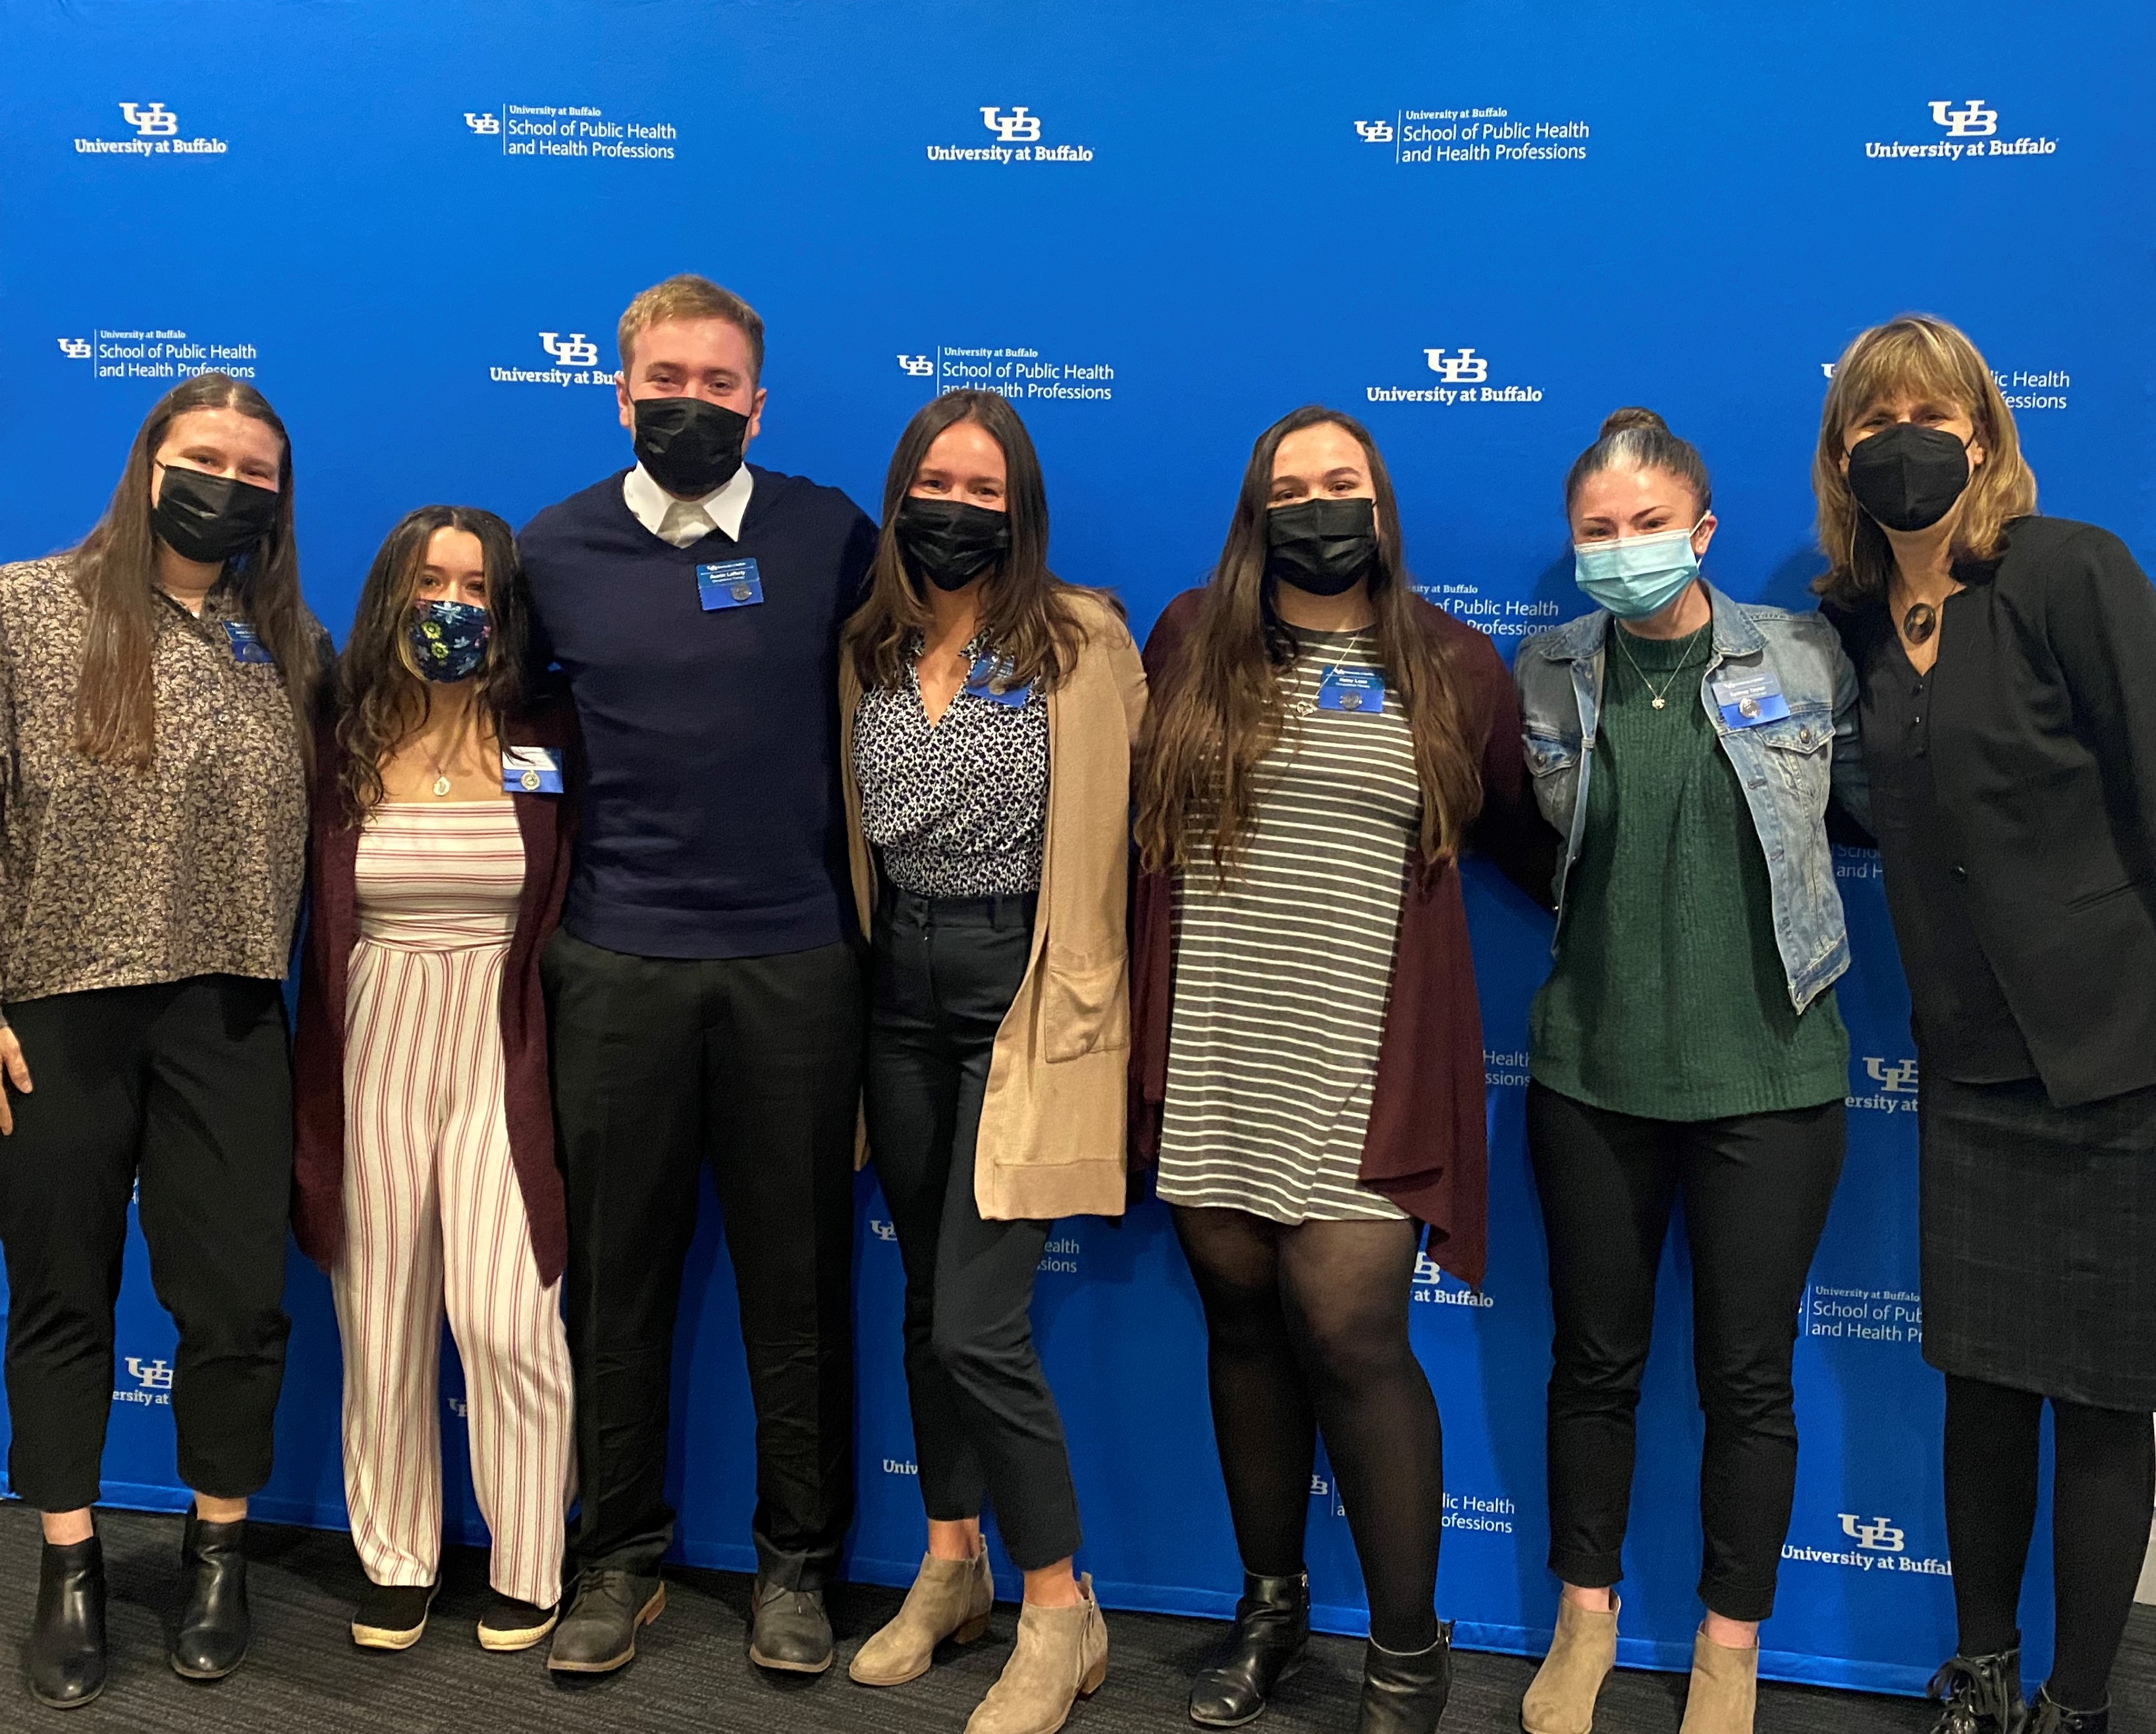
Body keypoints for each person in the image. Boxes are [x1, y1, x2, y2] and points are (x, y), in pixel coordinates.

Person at [1130, 406, 1544, 1734]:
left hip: (1364, 1061)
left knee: (1355, 1341)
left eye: (1341, 481)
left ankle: (1408, 1657)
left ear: (1380, 503)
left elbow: (1529, 838)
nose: (1317, 506)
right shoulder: (1191, 636)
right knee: (1243, 1330)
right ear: (1256, 512)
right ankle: (1269, 1610)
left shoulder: (1450, 663)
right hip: (1215, 1047)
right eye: (1290, 485)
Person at [516, 274, 878, 1677]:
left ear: (756, 404)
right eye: (663, 381)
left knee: (800, 1286)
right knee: (614, 1287)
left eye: (716, 384)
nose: (689, 404)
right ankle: (615, 1558)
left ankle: (796, 1569)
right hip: (617, 965)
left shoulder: (827, 533)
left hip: (797, 963)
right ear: (619, 392)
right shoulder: (551, 548)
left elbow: (946, 642)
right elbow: (491, 726)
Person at [1815, 315, 2156, 1734]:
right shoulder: (1844, 625)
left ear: (1981, 437)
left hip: (2115, 1057)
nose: (1902, 442)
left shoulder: (2069, 571)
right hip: (1963, 1058)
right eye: (1872, 421)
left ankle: (2076, 1704)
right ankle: (1981, 1671)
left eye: (1930, 417)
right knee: (1982, 1382)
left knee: (2104, 1393)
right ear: (1840, 452)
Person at [1511, 409, 1864, 1734]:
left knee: (1746, 1378)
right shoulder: (1547, 670)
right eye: (1597, 531)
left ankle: (1728, 1648)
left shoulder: (1801, 657)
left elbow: (1879, 805)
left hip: (1770, 1079)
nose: (1623, 548)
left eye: (1648, 524)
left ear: (1701, 530)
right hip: (1590, 1076)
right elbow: (1525, 838)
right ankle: (1583, 1620)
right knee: (1591, 1366)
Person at [0, 373, 327, 1706]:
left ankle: (217, 1551)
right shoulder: (25, 609)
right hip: (55, 1008)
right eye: (204, 459)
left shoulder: (288, 647)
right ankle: (67, 1564)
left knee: (236, 1303)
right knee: (61, 1294)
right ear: (148, 466)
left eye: (255, 473)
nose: (226, 487)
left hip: (230, 1013)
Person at [838, 391, 1143, 1734]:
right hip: (895, 983)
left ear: (1019, 509)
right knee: (924, 1303)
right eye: (935, 483)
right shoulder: (868, 642)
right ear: (900, 493)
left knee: (977, 1321)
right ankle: (950, 1562)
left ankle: (1059, 1608)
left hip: (1023, 986)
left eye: (983, 488)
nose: (955, 507)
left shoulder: (1078, 638)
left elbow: (1141, 827)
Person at [290, 506, 578, 1656]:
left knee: (508, 1319)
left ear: (505, 609)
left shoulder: (547, 733)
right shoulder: (337, 737)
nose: (450, 605)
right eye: (428, 582)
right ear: (390, 597)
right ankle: (397, 1557)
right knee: (380, 1319)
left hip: (502, 1047)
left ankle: (530, 1559)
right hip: (371, 1043)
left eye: (473, 587)